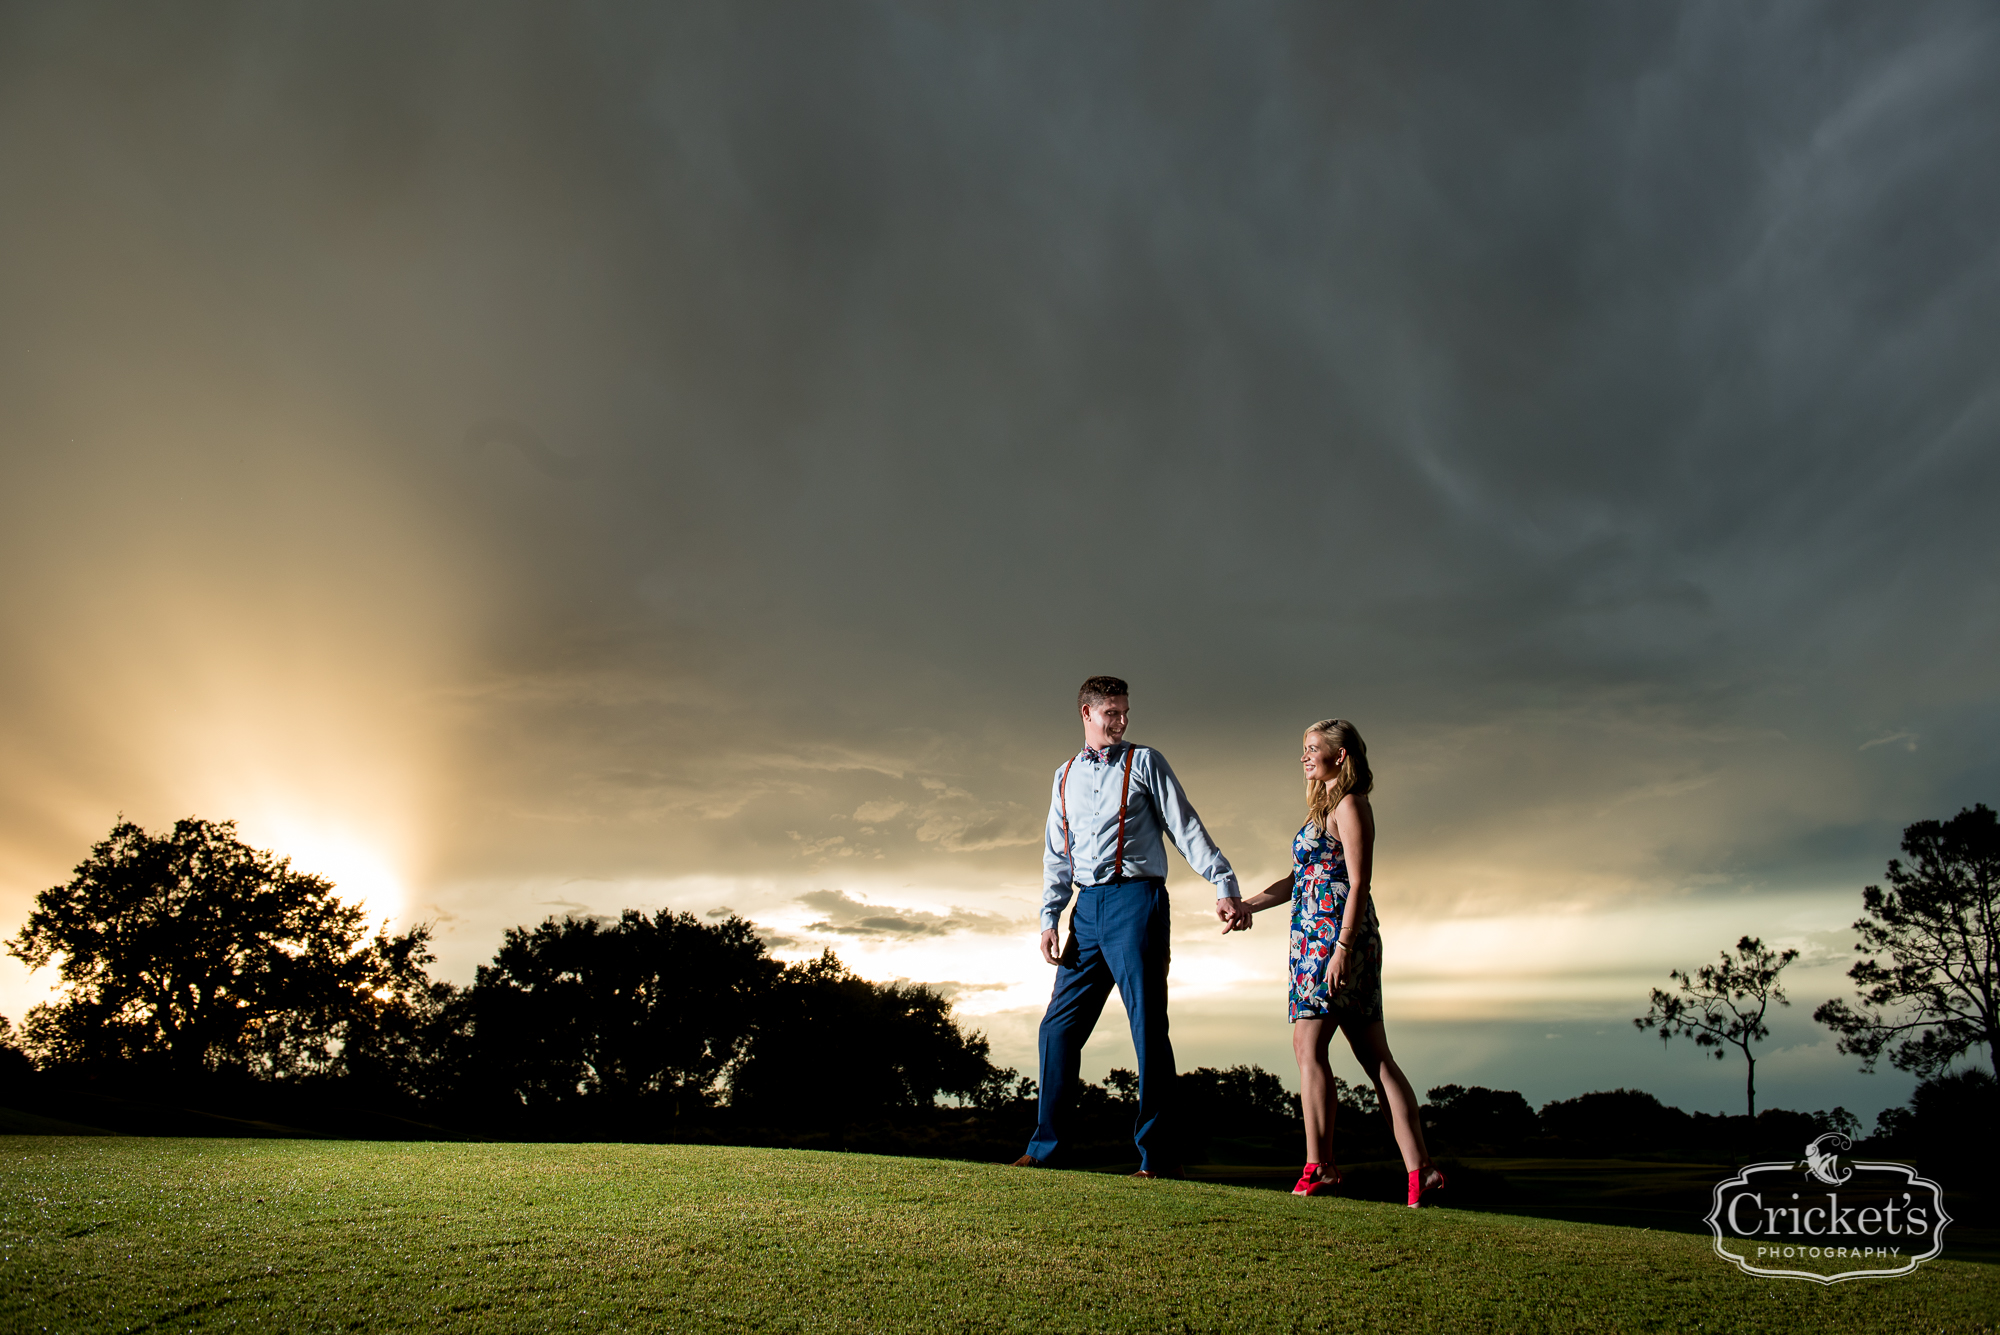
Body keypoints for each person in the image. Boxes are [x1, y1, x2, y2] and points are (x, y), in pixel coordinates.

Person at [1012, 675, 1251, 1176]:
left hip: (1136, 901)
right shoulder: (1062, 777)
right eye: (1110, 714)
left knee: (1146, 1027)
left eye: (1124, 713)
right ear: (1086, 714)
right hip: (1088, 911)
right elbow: (1057, 854)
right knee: (1057, 1029)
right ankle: (1044, 1149)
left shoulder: (1145, 762)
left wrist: (1222, 881)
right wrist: (1049, 917)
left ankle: (1156, 1158)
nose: (1120, 723)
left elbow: (1185, 826)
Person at [1229, 718, 1445, 1207]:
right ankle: (1422, 1173)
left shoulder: (1350, 804)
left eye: (1311, 749)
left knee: (1310, 1045)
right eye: (1302, 750)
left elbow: (1359, 881)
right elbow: (1297, 878)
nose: (1303, 758)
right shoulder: (1323, 808)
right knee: (1372, 1057)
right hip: (1316, 938)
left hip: (1337, 939)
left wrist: (1342, 947)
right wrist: (1246, 906)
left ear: (1340, 755)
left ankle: (1321, 1167)